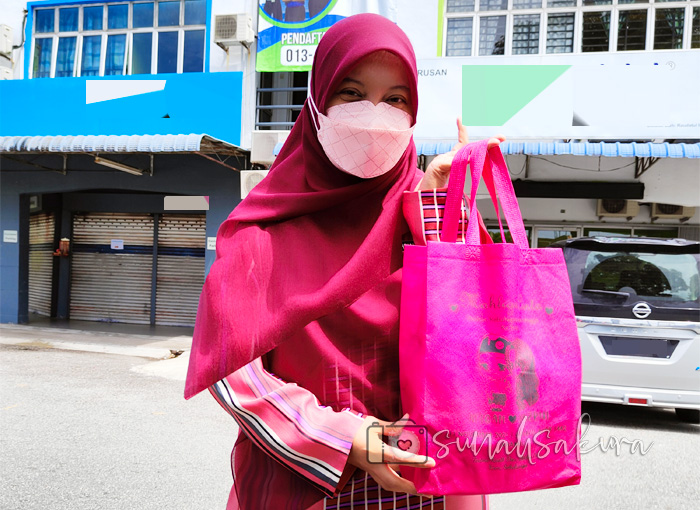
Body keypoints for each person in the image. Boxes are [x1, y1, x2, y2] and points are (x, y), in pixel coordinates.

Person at [185, 13, 502, 510]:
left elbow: (481, 332)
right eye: (352, 93)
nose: (375, 114)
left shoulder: (424, 213)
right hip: (304, 490)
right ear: (315, 103)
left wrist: (445, 204)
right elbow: (232, 375)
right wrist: (345, 437)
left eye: (396, 99)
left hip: (434, 489)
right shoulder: (261, 231)